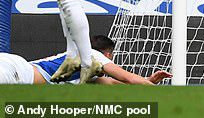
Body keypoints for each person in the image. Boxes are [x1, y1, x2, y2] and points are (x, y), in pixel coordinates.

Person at [0, 35, 171, 85]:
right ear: (108, 55)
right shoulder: (93, 56)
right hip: (16, 72)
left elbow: (113, 84)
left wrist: (147, 81)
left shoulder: (87, 73)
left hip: (15, 69)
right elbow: (127, 78)